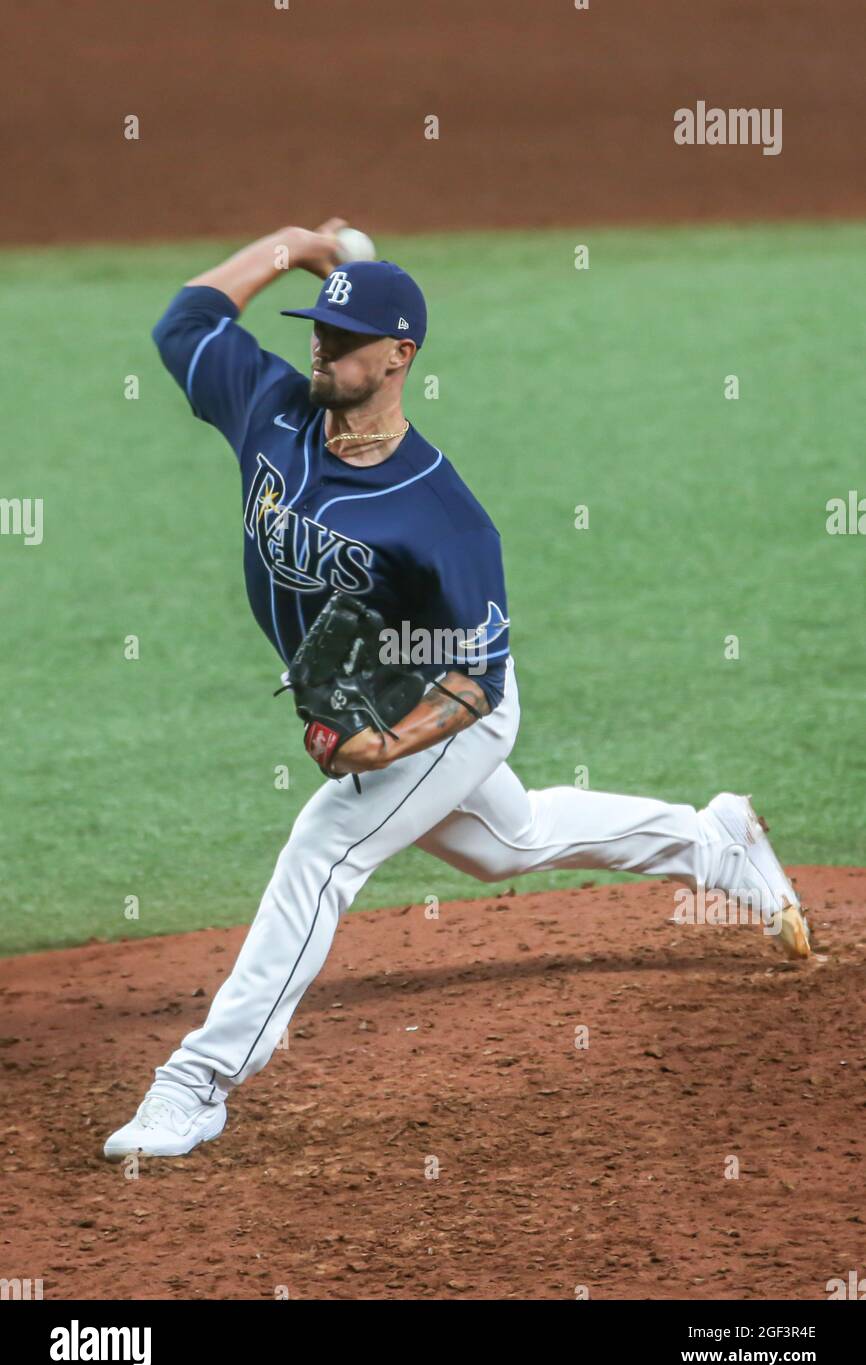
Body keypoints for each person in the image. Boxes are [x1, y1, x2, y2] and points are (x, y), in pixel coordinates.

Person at [103, 218, 810, 1160]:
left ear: (399, 358)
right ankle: (712, 840)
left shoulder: (443, 515)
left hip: (448, 714)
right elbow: (183, 324)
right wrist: (291, 245)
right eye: (316, 328)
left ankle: (196, 1083)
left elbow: (479, 676)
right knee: (505, 845)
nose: (321, 346)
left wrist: (386, 748)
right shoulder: (269, 407)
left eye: (345, 341)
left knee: (322, 851)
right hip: (382, 712)